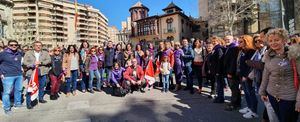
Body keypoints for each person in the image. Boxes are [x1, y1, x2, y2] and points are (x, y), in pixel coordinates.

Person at [259, 28, 300, 122]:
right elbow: (266, 75)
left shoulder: (294, 54)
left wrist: (299, 100)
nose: (273, 43)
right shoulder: (268, 55)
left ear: (284, 40)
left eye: (277, 40)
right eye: (270, 41)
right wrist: (262, 91)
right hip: (272, 95)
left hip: (289, 98)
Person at [23, 41, 51, 107]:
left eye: (40, 45)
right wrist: (32, 64)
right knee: (31, 88)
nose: (38, 46)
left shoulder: (45, 53)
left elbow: (49, 60)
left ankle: (40, 98)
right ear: (33, 46)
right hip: (32, 73)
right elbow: (24, 62)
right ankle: (29, 102)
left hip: (42, 72)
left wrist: (41, 63)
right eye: (36, 45)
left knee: (42, 86)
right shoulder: (28, 53)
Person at [236, 35, 257, 118]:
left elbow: (250, 65)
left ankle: (254, 111)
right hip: (242, 75)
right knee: (246, 93)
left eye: (241, 41)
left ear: (246, 41)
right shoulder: (242, 50)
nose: (239, 43)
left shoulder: (251, 51)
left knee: (251, 93)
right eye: (239, 41)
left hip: (248, 76)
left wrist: (246, 76)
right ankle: (249, 107)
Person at [0, 40, 23, 115]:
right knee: (7, 93)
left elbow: (23, 62)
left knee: (18, 90)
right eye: (11, 45)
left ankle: (17, 103)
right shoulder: (3, 54)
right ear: (8, 45)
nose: (14, 46)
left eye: (15, 45)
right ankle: (7, 108)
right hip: (7, 76)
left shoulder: (19, 53)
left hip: (19, 75)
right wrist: (0, 73)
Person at [222, 35, 241, 111]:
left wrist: (230, 72)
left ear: (233, 40)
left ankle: (234, 104)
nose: (227, 40)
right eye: (226, 39)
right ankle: (237, 103)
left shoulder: (234, 48)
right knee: (234, 88)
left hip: (232, 72)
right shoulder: (229, 47)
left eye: (229, 39)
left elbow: (233, 62)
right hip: (229, 71)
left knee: (234, 89)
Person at [210, 36, 225, 103]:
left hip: (218, 70)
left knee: (219, 85)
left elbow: (220, 60)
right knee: (218, 84)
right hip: (215, 69)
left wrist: (218, 71)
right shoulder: (215, 48)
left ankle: (220, 98)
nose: (213, 42)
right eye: (212, 41)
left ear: (218, 41)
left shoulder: (219, 48)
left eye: (215, 41)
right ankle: (219, 97)